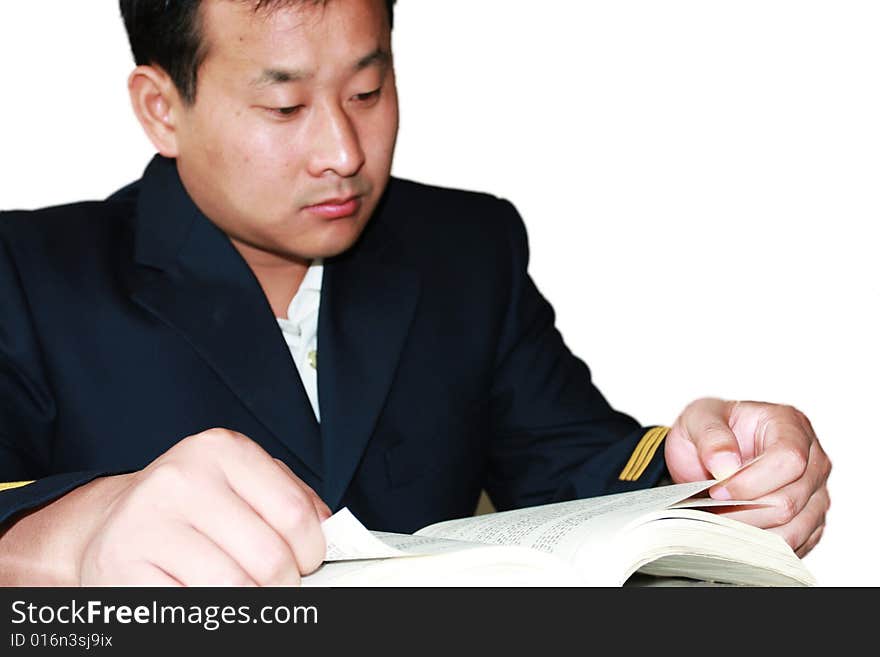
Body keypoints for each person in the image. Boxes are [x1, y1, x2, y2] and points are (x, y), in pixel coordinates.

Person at [0, 0, 830, 586]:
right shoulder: (30, 273)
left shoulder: (465, 251)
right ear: (160, 108)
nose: (343, 151)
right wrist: (79, 539)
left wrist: (714, 478)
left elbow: (576, 468)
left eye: (367, 91)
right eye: (284, 105)